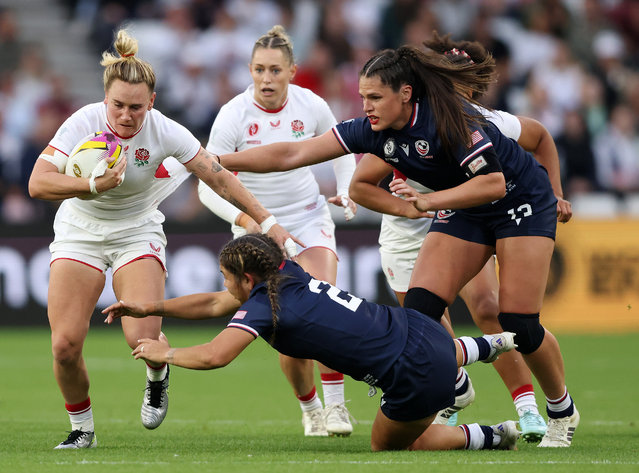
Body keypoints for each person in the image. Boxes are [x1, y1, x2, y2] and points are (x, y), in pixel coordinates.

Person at [215, 42, 580, 448]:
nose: (366, 107)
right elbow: (294, 152)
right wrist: (212, 160)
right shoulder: (373, 130)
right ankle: (450, 391)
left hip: (520, 201)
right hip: (465, 208)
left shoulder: (450, 119)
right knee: (421, 313)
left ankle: (561, 411)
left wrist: (429, 201)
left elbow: (493, 182)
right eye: (362, 98)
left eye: (374, 97)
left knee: (518, 323)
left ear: (405, 93)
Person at [27, 29, 296, 450]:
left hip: (137, 230)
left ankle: (157, 374)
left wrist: (268, 220)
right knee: (64, 345)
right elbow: (37, 184)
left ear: (151, 102)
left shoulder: (167, 131)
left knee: (142, 340)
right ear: (105, 100)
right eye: (117, 105)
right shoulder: (82, 122)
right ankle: (83, 430)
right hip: (80, 231)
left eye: (136, 107)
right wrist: (93, 187)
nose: (126, 116)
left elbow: (218, 176)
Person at [348, 33, 572, 442]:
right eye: (445, 82)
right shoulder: (403, 118)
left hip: (480, 208)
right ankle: (451, 388)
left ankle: (547, 407)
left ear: (472, 88)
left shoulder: (483, 121)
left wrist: (555, 193)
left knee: (505, 316)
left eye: (461, 84)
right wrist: (406, 205)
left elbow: (539, 137)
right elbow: (361, 182)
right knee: (419, 317)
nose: (451, 92)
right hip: (409, 225)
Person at [103, 233, 520, 452]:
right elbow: (215, 303)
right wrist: (148, 307)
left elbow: (215, 356)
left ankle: (492, 435)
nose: (224, 285)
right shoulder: (288, 270)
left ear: (248, 280)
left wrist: (166, 352)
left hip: (415, 374)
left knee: (395, 444)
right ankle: (483, 347)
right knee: (399, 343)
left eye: (229, 277)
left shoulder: (265, 307)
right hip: (422, 329)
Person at [197, 25, 357, 437]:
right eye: (258, 70)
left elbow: (342, 150)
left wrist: (344, 190)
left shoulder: (312, 104)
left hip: (306, 217)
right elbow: (207, 183)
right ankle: (311, 409)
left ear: (292, 71)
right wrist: (246, 220)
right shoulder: (234, 114)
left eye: (274, 70)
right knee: (287, 324)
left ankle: (338, 405)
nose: (266, 79)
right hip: (256, 229)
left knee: (326, 302)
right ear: (249, 71)